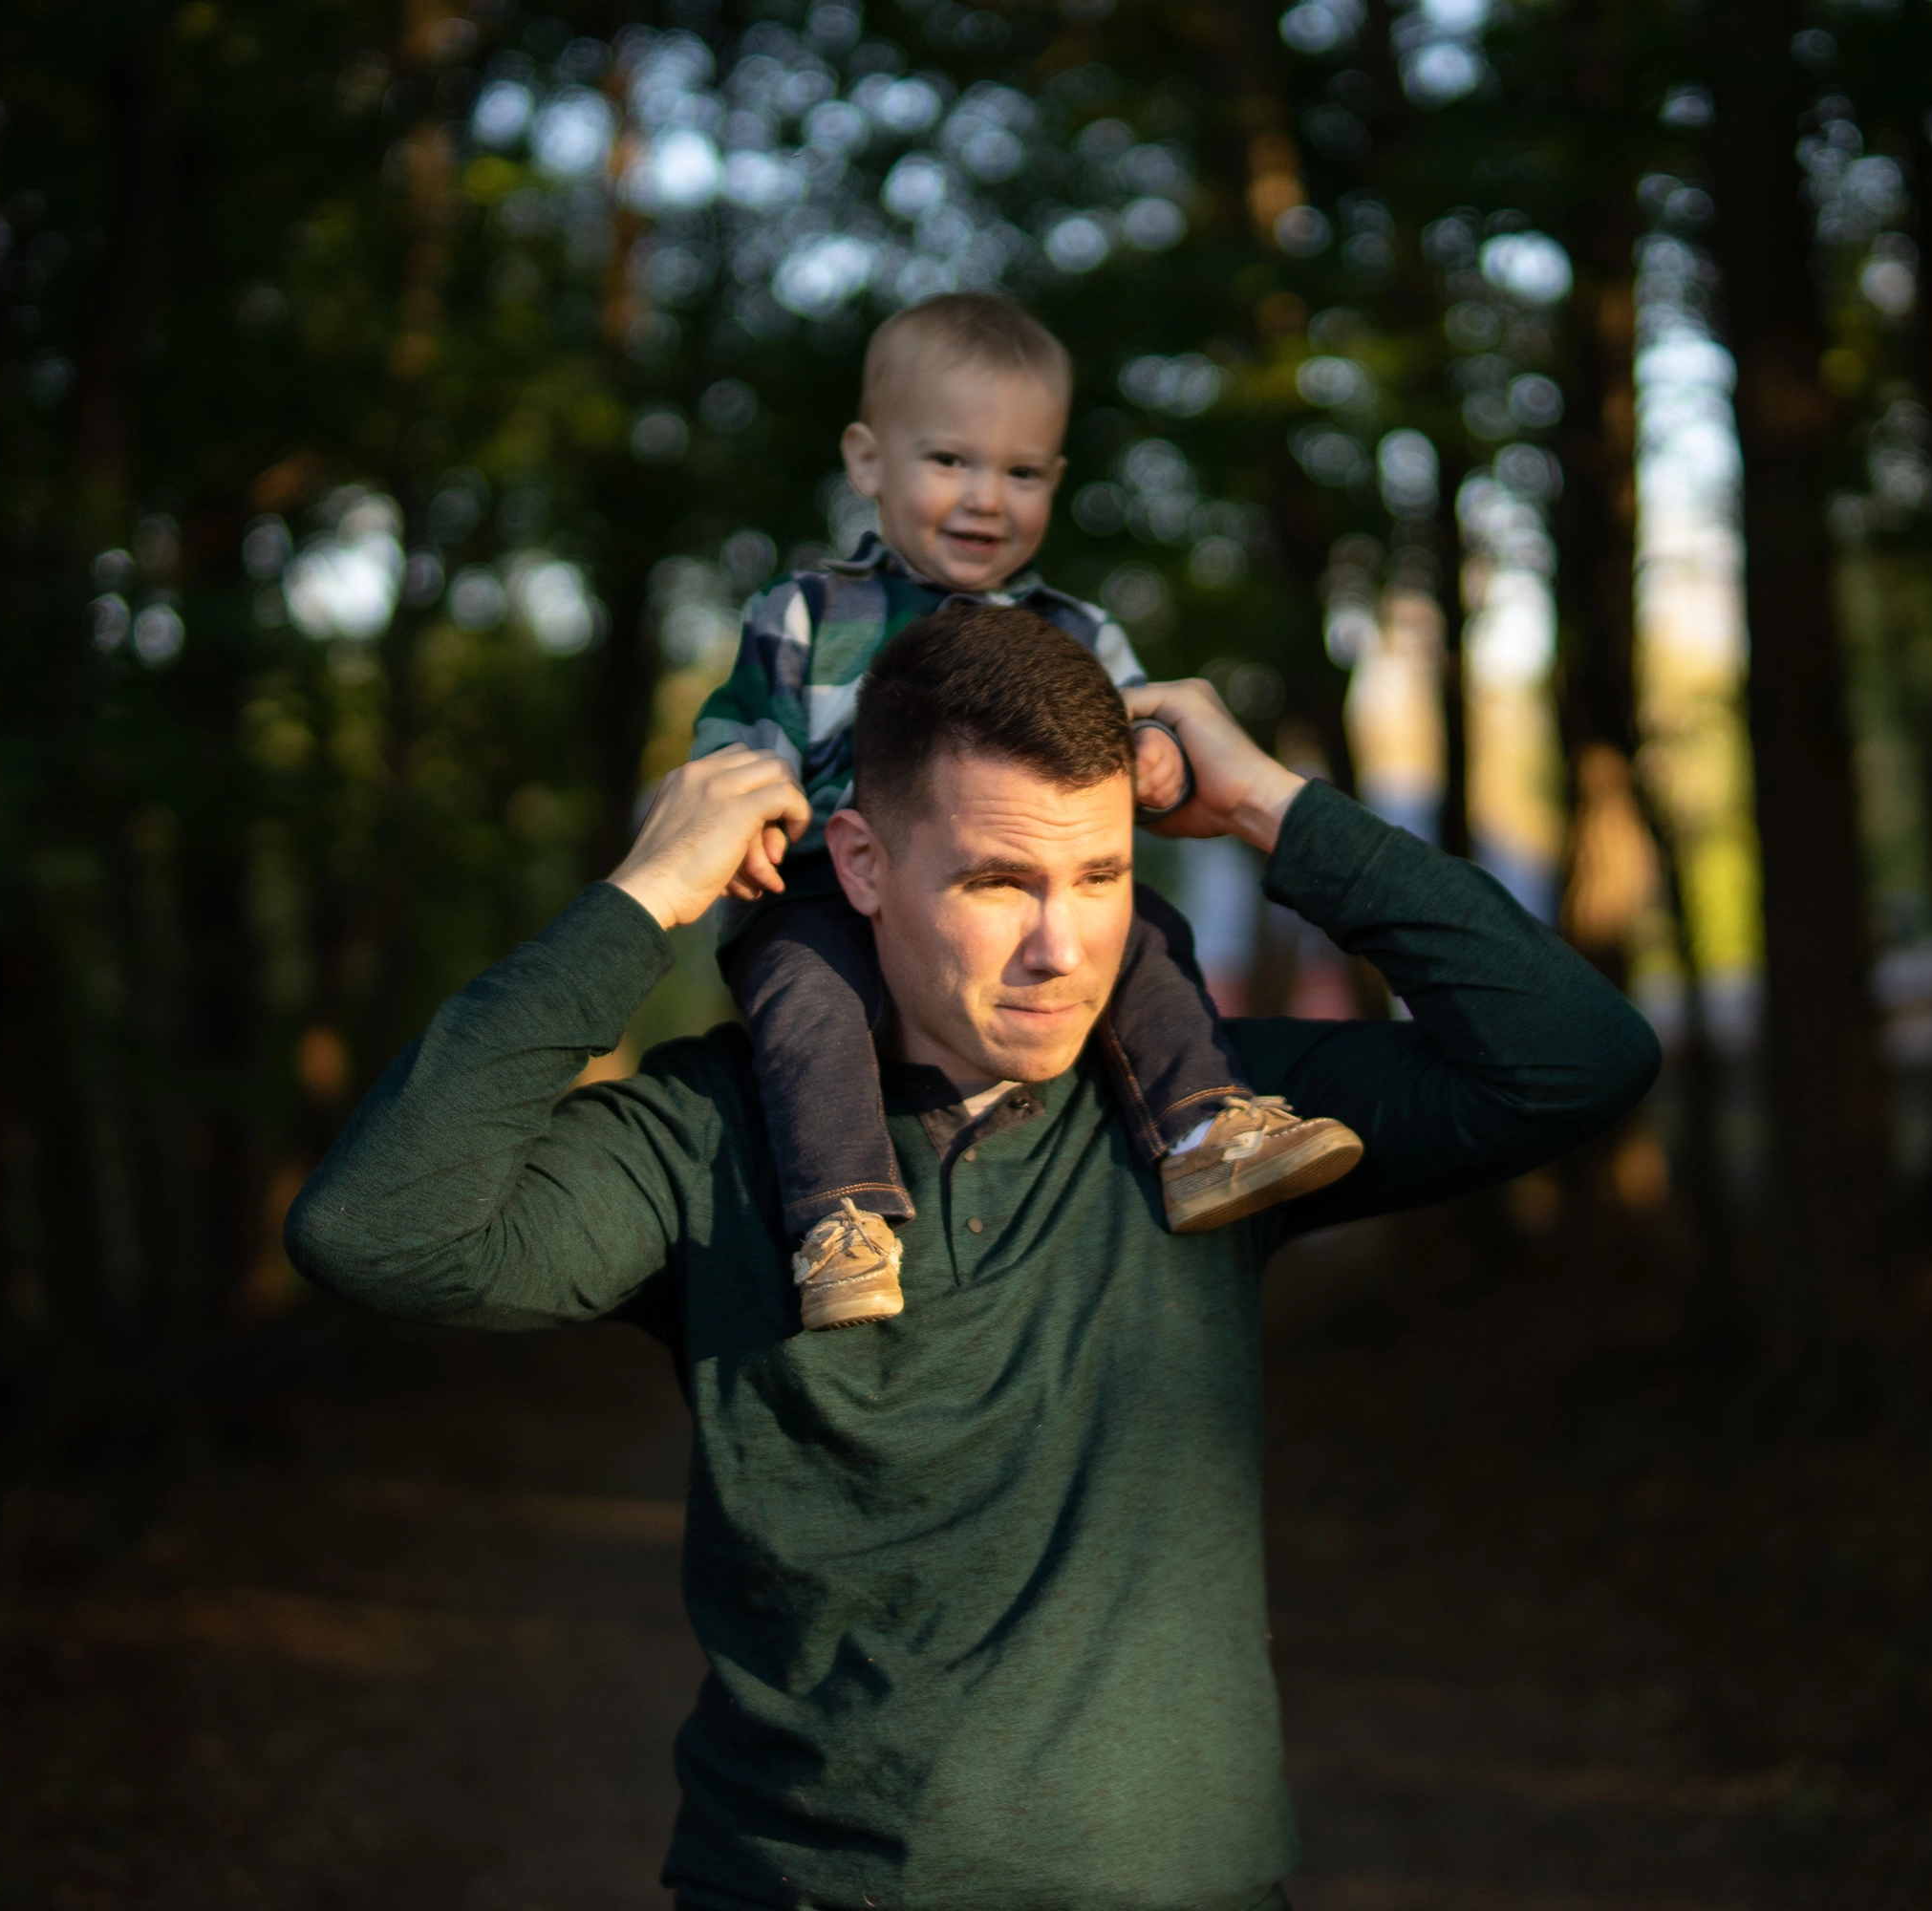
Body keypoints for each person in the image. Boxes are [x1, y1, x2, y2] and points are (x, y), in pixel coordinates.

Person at [286, 602, 1662, 1910]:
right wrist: (645, 896)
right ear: (866, 864)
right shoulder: (710, 1136)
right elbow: (380, 1230)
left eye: (1104, 874)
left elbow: (1577, 1058)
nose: (1060, 948)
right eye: (1000, 881)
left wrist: (1266, 806)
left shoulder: (1216, 1120)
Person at [688, 290, 1360, 1331]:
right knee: (805, 998)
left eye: (1021, 471)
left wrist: (1156, 762)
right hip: (825, 883)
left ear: (1055, 479)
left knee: (1143, 935)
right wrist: (747, 817)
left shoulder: (1076, 629)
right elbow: (740, 741)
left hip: (1010, 888)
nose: (985, 499)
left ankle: (1204, 1132)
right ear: (869, 462)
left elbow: (1140, 731)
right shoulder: (808, 614)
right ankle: (843, 1218)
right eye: (949, 461)